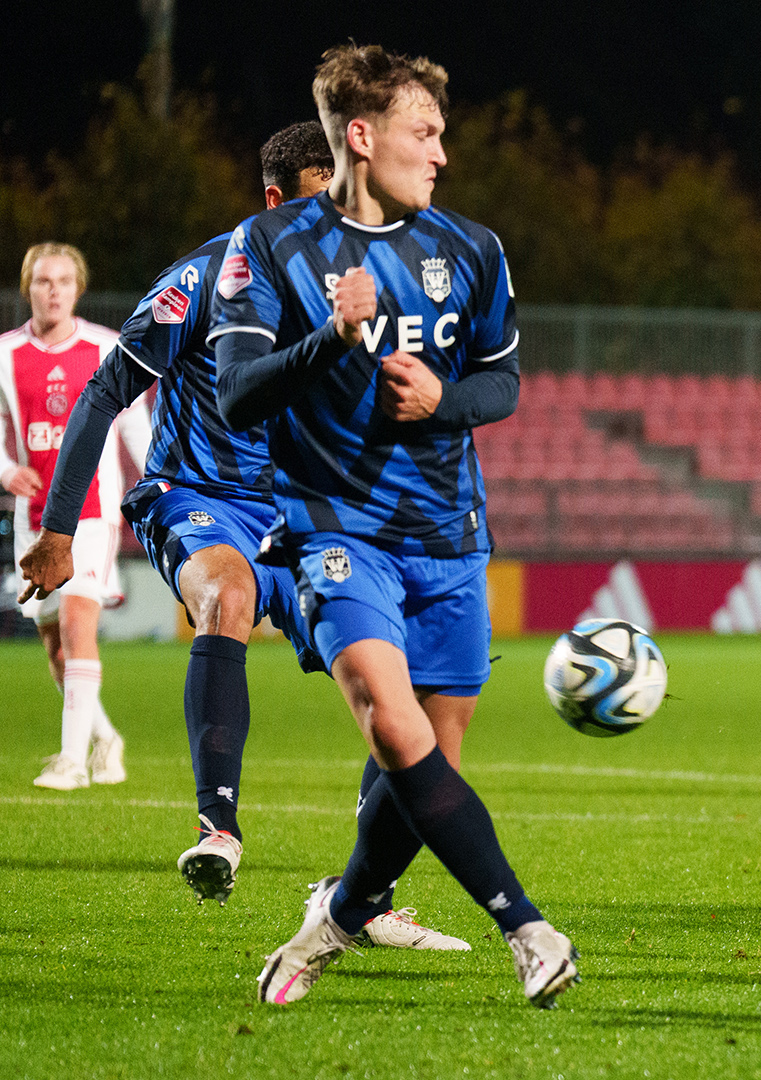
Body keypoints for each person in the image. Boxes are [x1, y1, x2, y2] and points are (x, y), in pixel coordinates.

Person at [17, 124, 467, 952]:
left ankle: (362, 899)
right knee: (226, 592)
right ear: (274, 201)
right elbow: (105, 390)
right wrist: (56, 528)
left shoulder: (367, 292)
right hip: (197, 497)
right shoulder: (203, 280)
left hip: (302, 512)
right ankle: (217, 830)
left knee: (420, 688)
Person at [212, 44, 576, 1005]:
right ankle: (526, 927)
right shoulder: (271, 250)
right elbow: (238, 393)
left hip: (450, 538)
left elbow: (502, 383)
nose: (442, 154)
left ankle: (333, 921)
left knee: (425, 773)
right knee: (389, 720)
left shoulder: (471, 250)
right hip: (336, 534)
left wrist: (444, 400)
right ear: (362, 139)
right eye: (427, 133)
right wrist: (329, 338)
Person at [1, 243, 147, 790]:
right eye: (43, 281)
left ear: (78, 289)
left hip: (92, 512)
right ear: (28, 288)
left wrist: (153, 485)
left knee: (76, 622)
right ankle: (104, 739)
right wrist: (6, 470)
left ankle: (71, 762)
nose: (53, 290)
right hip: (31, 516)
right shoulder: (5, 354)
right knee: (55, 647)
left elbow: (135, 427)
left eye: (64, 280)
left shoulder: (107, 347)